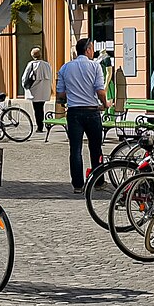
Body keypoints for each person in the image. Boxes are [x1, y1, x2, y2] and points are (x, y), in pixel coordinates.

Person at [54, 36, 108, 193]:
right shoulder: (95, 67)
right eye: (92, 49)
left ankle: (78, 185)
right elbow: (100, 91)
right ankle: (98, 182)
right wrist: (105, 104)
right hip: (92, 112)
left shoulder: (65, 68)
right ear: (88, 49)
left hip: (74, 112)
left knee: (75, 149)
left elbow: (61, 94)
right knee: (96, 148)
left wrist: (70, 97)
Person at [20, 47, 54, 140]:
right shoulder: (47, 65)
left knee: (37, 109)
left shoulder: (31, 64)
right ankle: (41, 125)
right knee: (41, 108)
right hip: (44, 90)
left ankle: (40, 127)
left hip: (35, 90)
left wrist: (25, 86)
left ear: (32, 55)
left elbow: (25, 78)